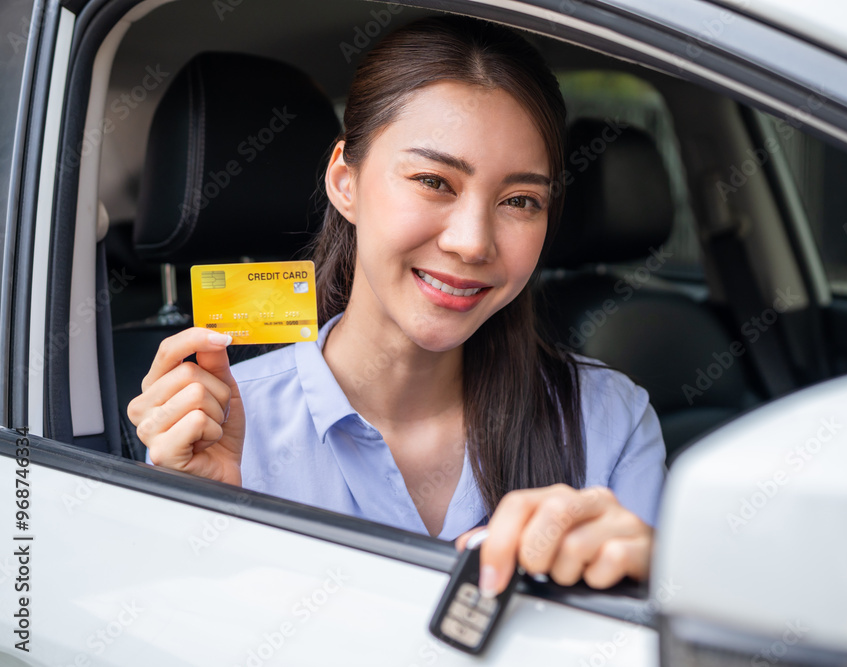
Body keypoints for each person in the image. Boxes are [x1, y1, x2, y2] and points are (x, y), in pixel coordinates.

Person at [127, 15, 666, 598]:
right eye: (434, 181)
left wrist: (657, 579)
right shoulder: (219, 427)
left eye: (519, 200)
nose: (472, 242)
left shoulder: (607, 419)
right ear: (345, 182)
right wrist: (204, 511)